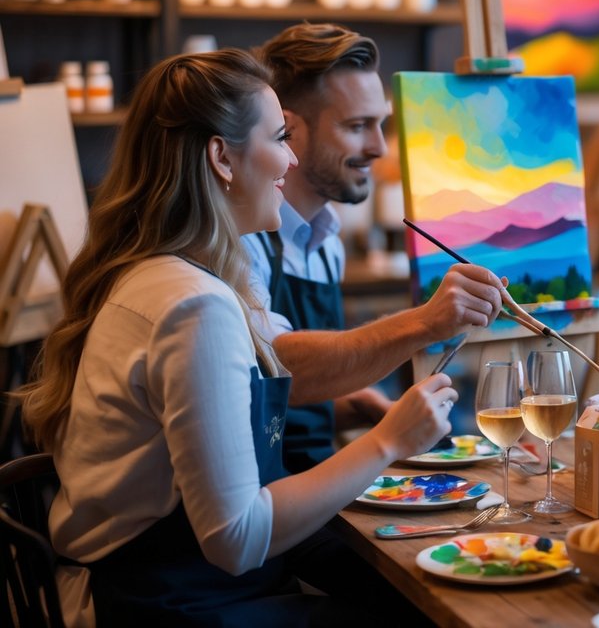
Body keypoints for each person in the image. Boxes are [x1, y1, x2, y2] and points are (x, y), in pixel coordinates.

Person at [19, 49, 498, 626]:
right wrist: (388, 443)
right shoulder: (195, 305)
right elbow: (236, 538)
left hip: (183, 577)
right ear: (221, 157)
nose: (291, 160)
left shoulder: (170, 273)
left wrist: (363, 415)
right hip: (167, 600)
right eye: (279, 137)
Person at [245, 22, 503, 472]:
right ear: (289, 130)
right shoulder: (242, 239)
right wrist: (425, 321)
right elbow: (274, 368)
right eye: (357, 126)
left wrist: (355, 404)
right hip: (271, 507)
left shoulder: (326, 238)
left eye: (380, 124)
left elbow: (299, 399)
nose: (379, 147)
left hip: (324, 489)